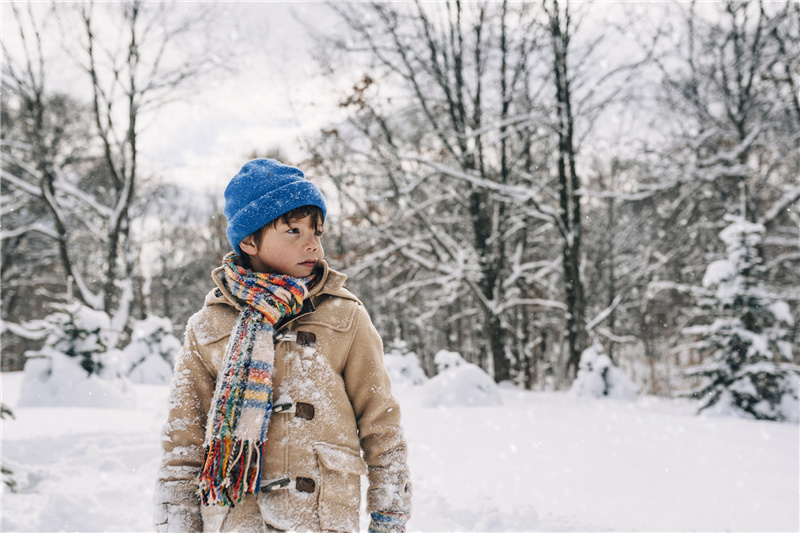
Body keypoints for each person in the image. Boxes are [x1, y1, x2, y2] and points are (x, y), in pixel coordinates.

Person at [154, 159, 411, 532]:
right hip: (237, 521)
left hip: (321, 518)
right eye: (293, 230)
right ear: (249, 240)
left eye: (316, 232)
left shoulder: (345, 316)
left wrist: (389, 517)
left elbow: (382, 425)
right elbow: (183, 443)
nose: (312, 244)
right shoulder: (207, 327)